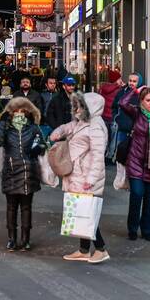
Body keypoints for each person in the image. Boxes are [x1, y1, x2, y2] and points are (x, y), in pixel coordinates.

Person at [51, 92, 109, 263]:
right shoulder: (82, 122)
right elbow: (67, 127)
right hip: (77, 174)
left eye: (80, 105)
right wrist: (58, 132)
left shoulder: (96, 126)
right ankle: (84, 250)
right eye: (76, 104)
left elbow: (98, 155)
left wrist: (91, 179)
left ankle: (101, 249)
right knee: (81, 211)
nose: (76, 108)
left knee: (87, 212)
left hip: (85, 176)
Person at [0, 96, 45, 251]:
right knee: (11, 207)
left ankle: (25, 239)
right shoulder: (6, 127)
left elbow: (42, 146)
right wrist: (2, 123)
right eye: (16, 111)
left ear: (28, 112)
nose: (19, 114)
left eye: (22, 111)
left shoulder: (33, 128)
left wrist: (38, 147)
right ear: (11, 113)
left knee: (26, 207)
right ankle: (11, 239)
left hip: (29, 171)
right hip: (11, 170)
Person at [118, 86, 150, 241]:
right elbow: (122, 103)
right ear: (142, 102)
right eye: (148, 100)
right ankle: (132, 228)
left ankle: (147, 229)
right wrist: (135, 91)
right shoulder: (137, 113)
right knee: (137, 194)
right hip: (135, 160)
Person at [110, 72, 142, 166]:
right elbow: (114, 106)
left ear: (139, 82)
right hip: (122, 127)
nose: (131, 83)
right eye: (130, 81)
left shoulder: (142, 94)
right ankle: (121, 177)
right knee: (121, 154)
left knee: (134, 156)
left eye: (134, 81)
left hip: (136, 130)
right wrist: (116, 118)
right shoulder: (122, 92)